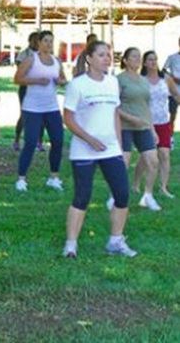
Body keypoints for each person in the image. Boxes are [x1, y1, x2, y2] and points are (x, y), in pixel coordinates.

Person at [62, 40, 137, 259]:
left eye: (109, 54)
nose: (107, 58)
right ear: (90, 59)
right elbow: (68, 117)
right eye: (102, 55)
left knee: (122, 194)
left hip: (111, 149)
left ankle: (115, 240)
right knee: (82, 196)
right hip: (84, 149)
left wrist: (119, 146)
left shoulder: (112, 82)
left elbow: (115, 113)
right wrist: (89, 139)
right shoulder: (78, 85)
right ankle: (71, 244)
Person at [13, 30, 67, 192]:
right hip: (32, 108)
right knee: (30, 142)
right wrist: (36, 80)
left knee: (57, 141)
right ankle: (21, 179)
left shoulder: (56, 61)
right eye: (45, 41)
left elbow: (62, 78)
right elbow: (17, 79)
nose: (49, 44)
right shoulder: (31, 59)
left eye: (51, 41)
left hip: (51, 107)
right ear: (39, 43)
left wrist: (60, 81)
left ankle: (54, 177)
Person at [110, 48, 160, 211]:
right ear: (125, 60)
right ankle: (114, 196)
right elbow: (114, 106)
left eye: (139, 57)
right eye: (134, 57)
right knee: (123, 163)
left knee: (153, 162)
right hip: (124, 127)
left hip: (144, 126)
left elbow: (146, 106)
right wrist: (132, 119)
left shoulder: (143, 80)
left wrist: (152, 129)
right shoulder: (119, 80)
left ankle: (147, 196)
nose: (137, 60)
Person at [136, 51, 180, 199]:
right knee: (146, 157)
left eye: (155, 59)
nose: (153, 62)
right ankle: (136, 184)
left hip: (163, 122)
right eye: (150, 60)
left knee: (165, 154)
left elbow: (175, 94)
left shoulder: (165, 79)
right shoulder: (141, 80)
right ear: (144, 63)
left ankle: (163, 187)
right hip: (147, 123)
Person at [13, 32, 44, 152]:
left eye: (38, 40)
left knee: (41, 116)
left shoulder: (43, 55)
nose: (37, 43)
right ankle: (17, 140)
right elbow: (21, 72)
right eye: (35, 40)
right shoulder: (23, 54)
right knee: (24, 115)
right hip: (26, 87)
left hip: (40, 88)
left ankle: (39, 142)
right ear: (30, 41)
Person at [162, 37, 180, 136]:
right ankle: (170, 137)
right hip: (174, 91)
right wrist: (172, 78)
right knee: (172, 115)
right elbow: (163, 70)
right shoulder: (172, 57)